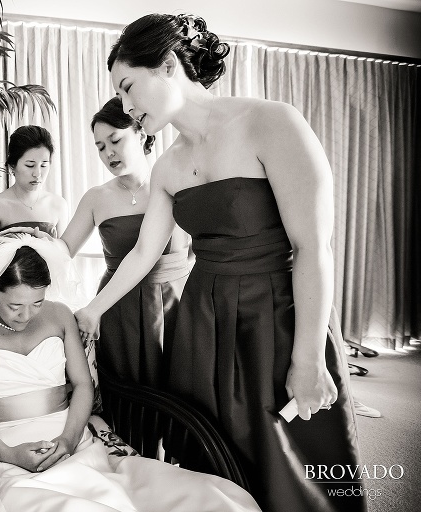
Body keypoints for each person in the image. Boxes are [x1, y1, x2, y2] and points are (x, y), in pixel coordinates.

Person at [73, 14, 364, 512]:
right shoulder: (168, 166)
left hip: (275, 316)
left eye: (128, 88)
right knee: (211, 456)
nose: (125, 107)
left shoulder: (272, 121)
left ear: (167, 66)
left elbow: (313, 247)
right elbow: (144, 253)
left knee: (295, 460)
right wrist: (92, 311)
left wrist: (309, 356)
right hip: (200, 327)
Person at [0, 234, 260, 512]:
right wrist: (9, 455)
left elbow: (81, 384)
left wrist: (68, 440)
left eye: (36, 302)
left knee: (200, 498)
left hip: (70, 440)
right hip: (2, 450)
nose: (26, 315)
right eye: (15, 306)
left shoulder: (59, 315)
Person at [53, 97, 190, 390]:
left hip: (178, 304)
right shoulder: (96, 198)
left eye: (115, 140)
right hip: (118, 309)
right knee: (129, 400)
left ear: (141, 133)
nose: (108, 153)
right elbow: (63, 250)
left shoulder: (177, 182)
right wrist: (39, 245)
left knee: (183, 394)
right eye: (100, 147)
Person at [0, 125, 68, 257]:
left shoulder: (58, 204)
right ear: (12, 166)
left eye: (44, 165)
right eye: (30, 165)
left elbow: (64, 258)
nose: (37, 173)